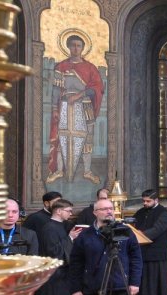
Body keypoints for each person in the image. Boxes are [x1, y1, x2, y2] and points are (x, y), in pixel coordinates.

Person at [46, 34, 104, 184]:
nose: (75, 48)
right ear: (68, 47)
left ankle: (87, 171)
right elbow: (56, 90)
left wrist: (79, 95)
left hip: (84, 107)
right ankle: (59, 170)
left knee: (87, 140)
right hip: (65, 106)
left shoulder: (90, 68)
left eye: (78, 45)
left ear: (83, 48)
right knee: (62, 138)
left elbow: (97, 88)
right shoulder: (61, 66)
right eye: (73, 45)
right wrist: (55, 109)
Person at [29, 198, 80, 295]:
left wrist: (70, 238)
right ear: (58, 211)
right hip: (54, 276)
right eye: (68, 211)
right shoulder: (49, 228)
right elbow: (53, 252)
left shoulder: (60, 225)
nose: (70, 214)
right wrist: (70, 238)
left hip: (63, 274)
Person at [132, 189, 167, 295]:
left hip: (156, 252)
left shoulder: (163, 213)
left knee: (154, 282)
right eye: (143, 201)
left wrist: (139, 235)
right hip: (141, 252)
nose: (145, 203)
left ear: (156, 200)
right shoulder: (140, 212)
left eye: (148, 201)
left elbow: (157, 229)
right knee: (143, 283)